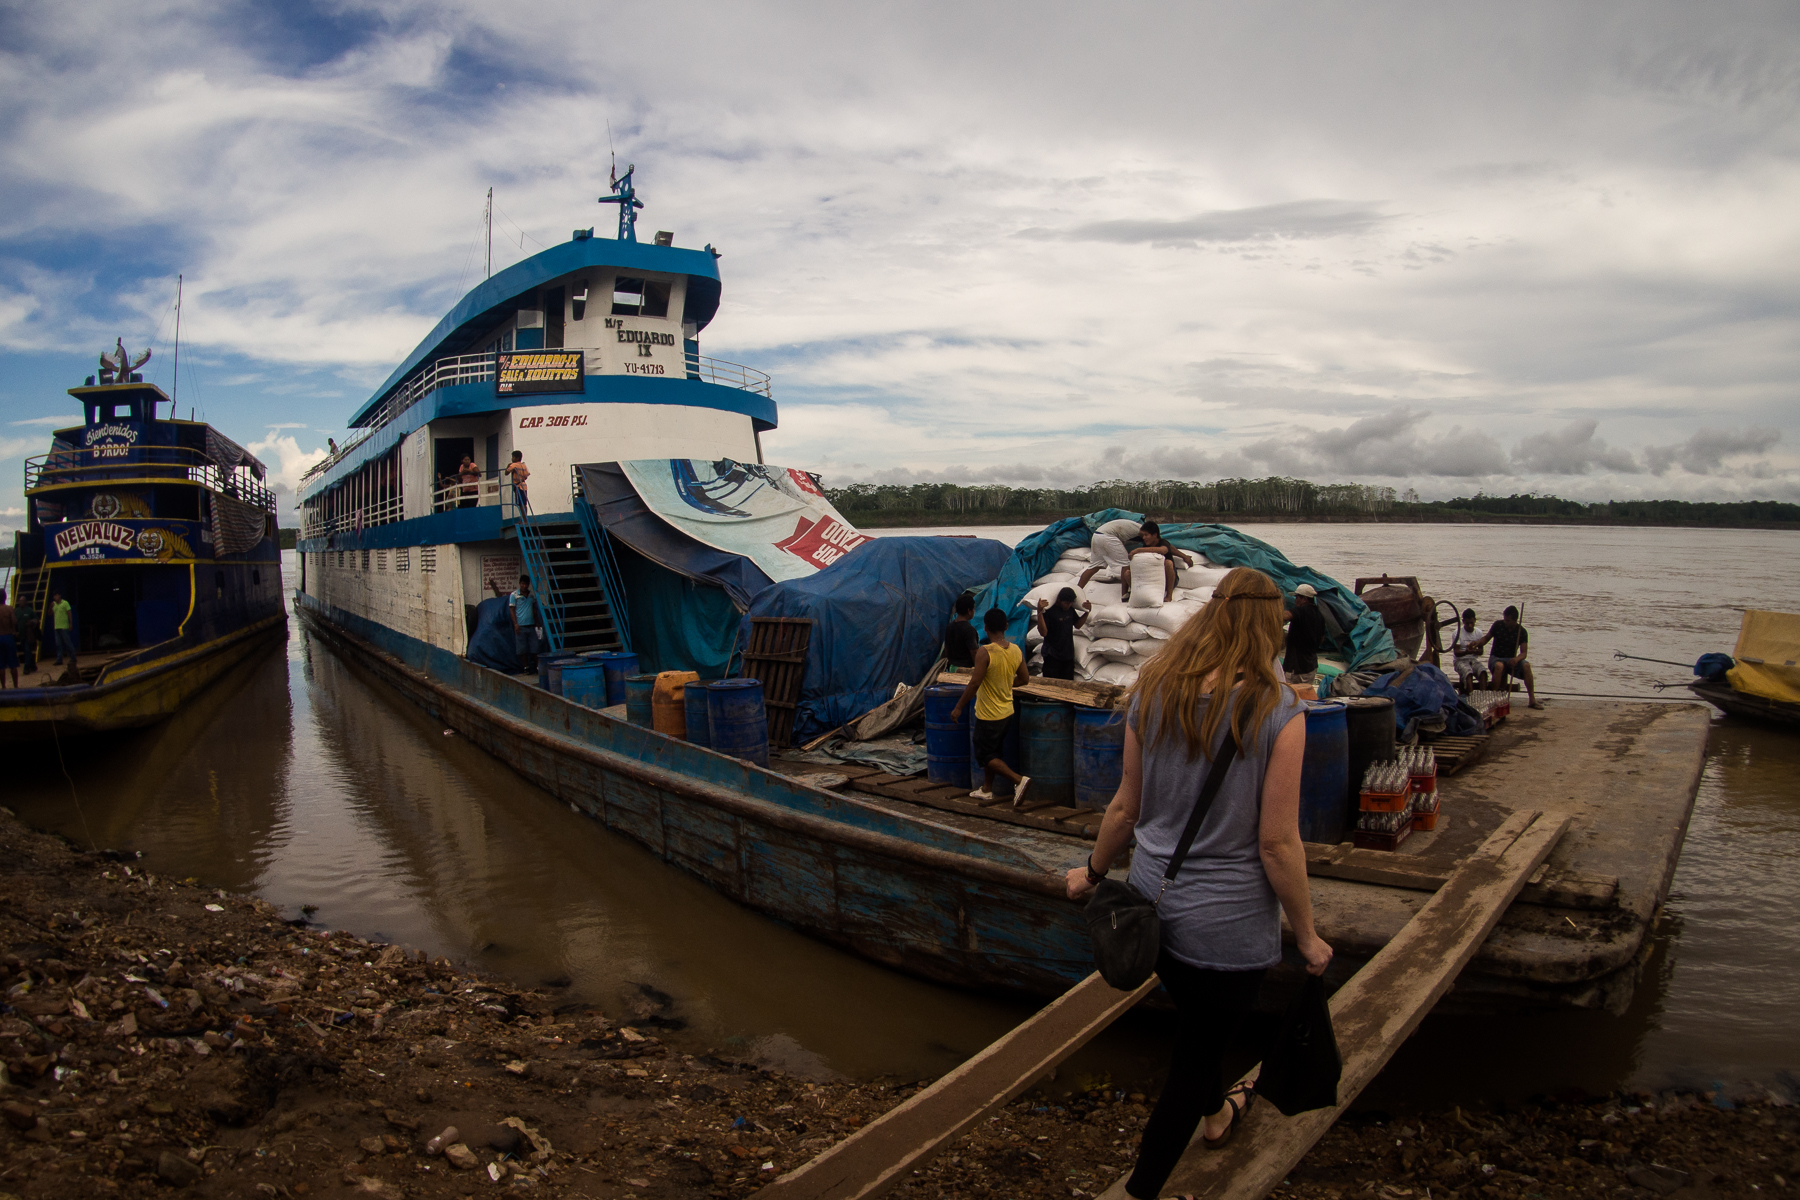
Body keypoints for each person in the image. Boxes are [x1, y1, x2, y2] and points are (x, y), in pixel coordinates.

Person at [1065, 566, 1332, 1199]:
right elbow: (1277, 842)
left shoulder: (1156, 688)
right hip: (1228, 926)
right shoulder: (1280, 711)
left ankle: (1216, 1117)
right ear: (1272, 625)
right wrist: (1309, 935)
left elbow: (1125, 808)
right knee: (1195, 1058)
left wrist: (1093, 872)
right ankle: (1141, 1191)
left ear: (1212, 613)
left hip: (1155, 907)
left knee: (1200, 1033)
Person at [950, 608, 1033, 808]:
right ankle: (986, 789)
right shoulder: (1015, 650)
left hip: (989, 715)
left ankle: (1018, 780)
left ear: (985, 628)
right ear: (1006, 626)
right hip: (1007, 713)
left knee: (985, 755)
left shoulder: (985, 651)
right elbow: (1025, 679)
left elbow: (974, 683)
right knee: (993, 752)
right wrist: (1005, 684)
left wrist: (959, 707)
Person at [1475, 605, 1541, 708]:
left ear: (1515, 621)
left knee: (1526, 666)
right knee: (1499, 666)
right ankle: (1494, 698)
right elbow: (1486, 638)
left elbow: (1524, 653)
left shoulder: (1521, 631)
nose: (1505, 622)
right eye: (1505, 619)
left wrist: (1516, 659)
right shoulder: (1497, 625)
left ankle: (1532, 700)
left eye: (1508, 621)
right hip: (1496, 658)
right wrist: (1477, 643)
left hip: (1512, 660)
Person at [1077, 516, 1143, 594]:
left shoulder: (1132, 530)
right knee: (1126, 565)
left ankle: (1076, 591)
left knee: (1094, 567)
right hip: (1107, 536)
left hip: (1097, 535)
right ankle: (1125, 594)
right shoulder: (1143, 530)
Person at [1035, 587, 1089, 680]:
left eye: (1071, 603)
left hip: (1067, 655)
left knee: (1067, 687)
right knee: (1051, 686)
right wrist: (1039, 612)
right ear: (1059, 600)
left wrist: (1087, 612)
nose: (1069, 605)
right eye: (1066, 603)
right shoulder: (1049, 611)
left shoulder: (1070, 610)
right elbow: (1043, 632)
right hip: (1052, 655)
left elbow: (1077, 625)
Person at [1283, 583, 1326, 680]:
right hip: (1311, 667)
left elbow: (1285, 616)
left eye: (1297, 597)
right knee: (1305, 694)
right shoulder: (1319, 615)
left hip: (1297, 669)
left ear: (1304, 599)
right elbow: (1321, 639)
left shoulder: (1301, 611)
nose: (1295, 600)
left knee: (1293, 694)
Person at [498, 574, 540, 673]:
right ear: (520, 584)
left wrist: (537, 623)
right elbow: (512, 610)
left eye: (526, 584)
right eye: (522, 584)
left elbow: (534, 610)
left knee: (535, 648)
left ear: (528, 585)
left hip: (531, 625)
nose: (524, 586)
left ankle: (537, 667)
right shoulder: (514, 595)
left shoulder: (531, 596)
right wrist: (515, 624)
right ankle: (526, 667)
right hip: (520, 626)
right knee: (522, 649)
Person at [1450, 608, 1485, 690]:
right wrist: (1466, 652)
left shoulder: (1478, 632)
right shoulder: (1457, 633)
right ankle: (1470, 695)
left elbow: (1481, 651)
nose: (1470, 626)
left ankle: (1483, 694)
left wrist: (1474, 651)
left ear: (1475, 620)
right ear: (1463, 622)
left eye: (1472, 623)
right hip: (1460, 661)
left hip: (1473, 660)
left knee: (1483, 672)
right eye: (1467, 623)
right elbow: (1456, 652)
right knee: (1468, 673)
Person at [942, 594, 980, 670]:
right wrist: (978, 669)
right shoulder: (969, 630)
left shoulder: (950, 627)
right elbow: (974, 652)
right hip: (965, 669)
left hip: (952, 667)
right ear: (969, 611)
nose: (974, 611)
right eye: (973, 609)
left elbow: (947, 649)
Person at [50, 589, 76, 671]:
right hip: (57, 627)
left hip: (64, 626)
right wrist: (50, 607)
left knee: (67, 643)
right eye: (54, 596)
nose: (55, 597)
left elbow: (69, 614)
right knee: (58, 644)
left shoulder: (65, 603)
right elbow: (49, 613)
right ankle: (59, 659)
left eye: (56, 595)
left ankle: (73, 657)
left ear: (59, 595)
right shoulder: (54, 605)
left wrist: (70, 624)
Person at [0, 587, 18, 689]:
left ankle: (3, 687)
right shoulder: (10, 608)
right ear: (5, 597)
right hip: (8, 636)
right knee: (13, 664)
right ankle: (15, 686)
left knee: (1, 665)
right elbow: (14, 621)